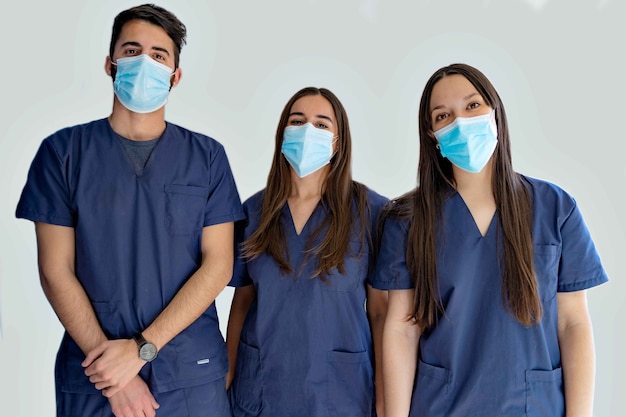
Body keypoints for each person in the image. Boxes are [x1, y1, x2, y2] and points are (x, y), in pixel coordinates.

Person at [15, 4, 243, 417]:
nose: (144, 63)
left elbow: (218, 266)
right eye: (132, 50)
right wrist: (113, 372)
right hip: (95, 375)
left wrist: (140, 350)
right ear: (110, 64)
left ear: (175, 75)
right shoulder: (63, 154)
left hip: (189, 374)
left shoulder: (207, 157)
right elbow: (55, 270)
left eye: (159, 56)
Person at [374, 63, 608, 417]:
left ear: (495, 112)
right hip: (441, 407)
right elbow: (402, 328)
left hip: (534, 406)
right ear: (432, 134)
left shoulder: (555, 208)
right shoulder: (407, 221)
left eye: (472, 106)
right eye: (443, 116)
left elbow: (572, 323)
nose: (461, 123)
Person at [225, 87, 388, 416]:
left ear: (338, 142)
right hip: (262, 388)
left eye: (322, 125)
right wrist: (227, 378)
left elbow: (381, 314)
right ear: (282, 134)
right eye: (297, 122)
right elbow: (241, 303)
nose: (307, 131)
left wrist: (387, 400)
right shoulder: (254, 212)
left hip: (341, 393)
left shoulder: (372, 213)